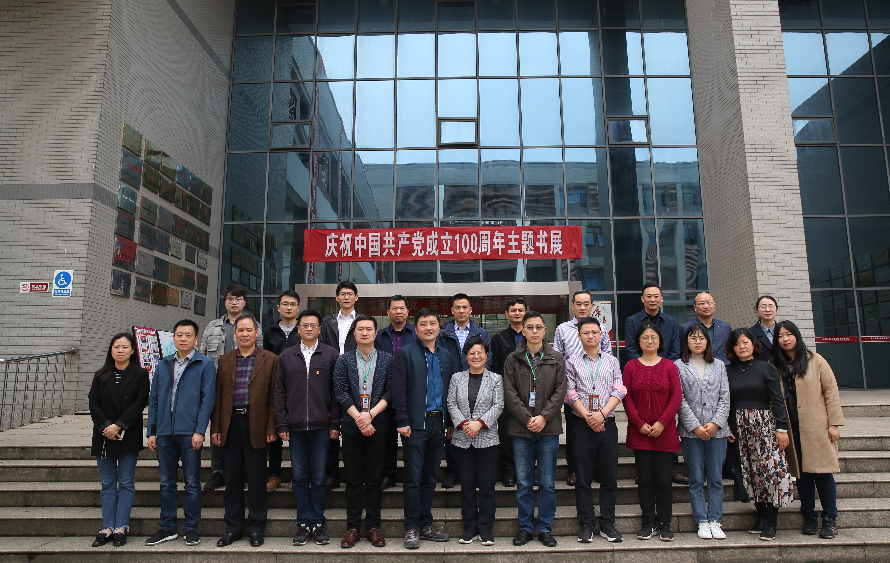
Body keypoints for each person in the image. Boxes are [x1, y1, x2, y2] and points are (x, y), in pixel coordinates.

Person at [145, 319, 216, 547]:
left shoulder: (205, 364)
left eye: (188, 335)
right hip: (164, 433)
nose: (183, 339)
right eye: (179, 335)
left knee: (192, 483)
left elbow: (207, 401)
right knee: (166, 483)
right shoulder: (163, 364)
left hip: (189, 433)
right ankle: (167, 527)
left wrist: (200, 431)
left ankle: (191, 528)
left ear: (196, 339)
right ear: (173, 338)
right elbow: (154, 400)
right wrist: (152, 431)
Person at [771, 320, 844, 539]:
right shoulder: (775, 364)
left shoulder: (815, 360)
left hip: (816, 427)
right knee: (801, 475)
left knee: (822, 473)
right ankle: (809, 516)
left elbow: (831, 391)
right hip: (791, 429)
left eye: (789, 334)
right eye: (780, 336)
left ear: (797, 336)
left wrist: (834, 424)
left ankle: (830, 518)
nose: (785, 339)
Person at [211, 313, 279, 548]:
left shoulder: (271, 359)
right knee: (232, 480)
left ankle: (256, 528)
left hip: (257, 424)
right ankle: (233, 527)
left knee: (257, 480)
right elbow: (219, 396)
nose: (245, 334)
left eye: (249, 330)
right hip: (231, 424)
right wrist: (216, 427)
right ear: (235, 334)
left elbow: (274, 398)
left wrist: (272, 427)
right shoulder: (225, 360)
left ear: (256, 333)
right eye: (240, 330)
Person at [274, 309, 341, 546]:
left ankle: (318, 523)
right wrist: (281, 422)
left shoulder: (331, 354)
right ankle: (303, 523)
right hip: (296, 427)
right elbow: (279, 392)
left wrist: (334, 423)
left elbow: (336, 393)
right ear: (298, 329)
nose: (309, 329)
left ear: (320, 329)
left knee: (320, 477)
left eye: (313, 325)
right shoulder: (286, 355)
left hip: (322, 427)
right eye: (305, 325)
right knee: (300, 476)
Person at [502, 311, 566, 548]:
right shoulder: (513, 359)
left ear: (545, 330)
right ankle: (526, 527)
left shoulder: (556, 358)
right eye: (530, 327)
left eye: (539, 327)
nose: (535, 331)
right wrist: (528, 418)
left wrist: (544, 417)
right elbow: (509, 392)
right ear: (523, 331)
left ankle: (545, 528)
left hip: (548, 429)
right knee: (524, 483)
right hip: (521, 429)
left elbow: (560, 390)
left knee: (547, 482)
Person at [392, 308, 454, 549]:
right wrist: (402, 420)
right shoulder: (406, 353)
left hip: (439, 423)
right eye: (423, 324)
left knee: (430, 477)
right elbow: (398, 390)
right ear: (415, 328)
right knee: (413, 478)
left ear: (439, 327)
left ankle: (426, 524)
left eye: (433, 323)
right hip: (416, 424)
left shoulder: (445, 354)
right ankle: (411, 527)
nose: (429, 328)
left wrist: (450, 422)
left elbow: (450, 391)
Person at [725, 328, 793, 541]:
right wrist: (727, 426)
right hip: (740, 428)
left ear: (754, 345)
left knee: (770, 472)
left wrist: (782, 429)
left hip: (765, 427)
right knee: (750, 473)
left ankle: (771, 521)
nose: (742, 347)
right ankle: (761, 516)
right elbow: (726, 402)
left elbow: (778, 400)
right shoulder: (728, 371)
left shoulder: (766, 368)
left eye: (745, 342)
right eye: (737, 344)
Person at [564, 317, 625, 544]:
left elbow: (619, 389)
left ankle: (608, 523)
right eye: (586, 333)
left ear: (601, 335)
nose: (590, 336)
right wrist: (589, 416)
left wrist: (601, 414)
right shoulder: (571, 362)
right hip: (582, 426)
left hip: (607, 425)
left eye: (594, 332)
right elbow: (570, 393)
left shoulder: (611, 361)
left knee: (609, 478)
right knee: (583, 479)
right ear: (579, 336)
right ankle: (587, 524)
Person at [334, 315, 393, 549]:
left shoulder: (387, 359)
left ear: (376, 333)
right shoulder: (344, 360)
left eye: (369, 329)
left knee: (375, 479)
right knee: (353, 480)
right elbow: (340, 392)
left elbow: (390, 391)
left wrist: (370, 415)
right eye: (360, 329)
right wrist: (359, 417)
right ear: (354, 333)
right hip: (351, 427)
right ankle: (353, 528)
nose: (365, 332)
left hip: (378, 426)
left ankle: (373, 527)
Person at [88, 333, 150, 548]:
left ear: (132, 350)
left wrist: (119, 425)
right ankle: (107, 527)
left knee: (125, 482)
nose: (120, 350)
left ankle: (121, 526)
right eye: (116, 346)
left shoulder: (140, 374)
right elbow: (93, 403)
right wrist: (106, 427)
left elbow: (140, 402)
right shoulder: (101, 374)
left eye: (125, 347)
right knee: (107, 483)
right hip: (104, 435)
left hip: (127, 433)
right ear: (111, 350)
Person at [199, 284, 262, 491]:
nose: (234, 302)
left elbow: (260, 358)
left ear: (244, 302)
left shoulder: (253, 325)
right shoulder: (212, 327)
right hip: (217, 386)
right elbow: (203, 357)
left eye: (238, 298)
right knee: (217, 428)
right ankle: (218, 472)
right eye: (230, 299)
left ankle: (241, 470)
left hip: (244, 387)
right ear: (224, 301)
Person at [623, 321, 682, 542]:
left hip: (664, 432)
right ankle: (648, 522)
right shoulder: (630, 366)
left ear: (660, 342)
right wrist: (639, 423)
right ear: (638, 342)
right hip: (640, 432)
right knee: (645, 480)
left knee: (664, 481)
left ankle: (665, 523)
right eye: (645, 337)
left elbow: (676, 396)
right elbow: (627, 397)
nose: (649, 341)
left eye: (653, 337)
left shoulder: (669, 366)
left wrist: (662, 423)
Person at [624, 283, 686, 485]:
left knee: (666, 423)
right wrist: (644, 366)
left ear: (661, 299)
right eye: (648, 296)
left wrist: (662, 367)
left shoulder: (671, 322)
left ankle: (671, 468)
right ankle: (643, 471)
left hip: (665, 375)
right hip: (640, 372)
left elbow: (675, 350)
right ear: (642, 299)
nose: (652, 299)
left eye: (656, 296)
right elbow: (631, 349)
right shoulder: (632, 321)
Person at [553, 290, 614, 488]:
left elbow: (608, 357)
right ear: (572, 306)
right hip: (574, 391)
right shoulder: (562, 329)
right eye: (578, 303)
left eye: (586, 303)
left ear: (592, 305)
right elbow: (558, 359)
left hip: (600, 391)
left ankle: (597, 468)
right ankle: (574, 469)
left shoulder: (601, 328)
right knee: (575, 432)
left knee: (600, 431)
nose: (582, 307)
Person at [675, 324, 730, 540]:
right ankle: (701, 520)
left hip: (718, 431)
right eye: (693, 338)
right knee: (696, 478)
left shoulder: (719, 365)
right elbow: (679, 399)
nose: (697, 342)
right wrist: (695, 426)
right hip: (691, 432)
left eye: (702, 338)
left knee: (716, 478)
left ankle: (715, 519)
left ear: (708, 341)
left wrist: (715, 423)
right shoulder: (679, 366)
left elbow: (725, 397)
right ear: (686, 341)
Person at [447, 336, 503, 547]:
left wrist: (479, 423)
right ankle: (470, 527)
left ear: (487, 356)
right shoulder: (456, 378)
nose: (476, 356)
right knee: (467, 486)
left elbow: (498, 405)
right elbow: (451, 403)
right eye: (472, 353)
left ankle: (486, 528)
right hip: (462, 440)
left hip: (487, 440)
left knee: (487, 487)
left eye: (480, 353)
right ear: (466, 356)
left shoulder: (496, 379)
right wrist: (464, 424)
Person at [437, 293, 491, 489]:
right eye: (457, 307)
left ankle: (472, 472)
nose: (461, 311)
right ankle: (452, 472)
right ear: (452, 310)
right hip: (450, 385)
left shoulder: (481, 333)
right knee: (452, 428)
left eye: (464, 307)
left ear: (471, 310)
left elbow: (487, 359)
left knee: (474, 424)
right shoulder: (443, 333)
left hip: (475, 384)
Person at [319, 281, 360, 490]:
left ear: (356, 298)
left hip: (357, 377)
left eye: (350, 294)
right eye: (342, 294)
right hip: (329, 377)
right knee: (331, 425)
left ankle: (358, 474)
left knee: (355, 425)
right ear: (336, 298)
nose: (346, 297)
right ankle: (332, 474)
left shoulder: (362, 321)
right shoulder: (326, 322)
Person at [373, 295, 416, 491]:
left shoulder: (416, 334)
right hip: (385, 394)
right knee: (387, 437)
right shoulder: (379, 336)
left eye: (402, 308)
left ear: (407, 311)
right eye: (394, 308)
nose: (398, 311)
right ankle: (388, 475)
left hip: (411, 393)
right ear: (388, 312)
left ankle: (412, 476)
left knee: (412, 437)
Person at [261, 290, 301, 492]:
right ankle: (275, 474)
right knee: (274, 432)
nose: (289, 307)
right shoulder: (270, 332)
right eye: (285, 304)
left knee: (296, 434)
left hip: (298, 387)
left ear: (298, 308)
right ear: (278, 307)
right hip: (275, 386)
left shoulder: (303, 330)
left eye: (293, 304)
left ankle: (296, 476)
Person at [488, 297, 527, 488]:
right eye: (513, 310)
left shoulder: (532, 335)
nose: (517, 313)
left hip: (529, 395)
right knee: (505, 435)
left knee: (528, 435)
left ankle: (526, 473)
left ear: (525, 313)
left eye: (520, 310)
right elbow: (495, 368)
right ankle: (508, 473)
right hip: (506, 394)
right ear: (507, 314)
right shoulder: (499, 338)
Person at [679, 292, 732, 365]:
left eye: (709, 303)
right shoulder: (685, 328)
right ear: (695, 307)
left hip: (723, 368)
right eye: (701, 303)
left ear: (714, 306)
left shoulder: (725, 327)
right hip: (696, 368)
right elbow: (683, 352)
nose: (706, 306)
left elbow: (730, 350)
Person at [749, 296, 778, 362]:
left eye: (771, 306)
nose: (767, 310)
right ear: (757, 310)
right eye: (763, 307)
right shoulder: (750, 333)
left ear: (777, 310)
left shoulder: (783, 331)